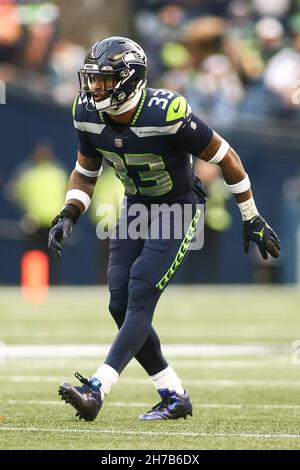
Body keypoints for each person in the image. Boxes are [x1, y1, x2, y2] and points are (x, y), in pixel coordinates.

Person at [48, 36, 280, 421]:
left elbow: (228, 158)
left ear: (130, 80)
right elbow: (87, 170)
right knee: (118, 304)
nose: (95, 88)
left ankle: (97, 388)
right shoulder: (85, 111)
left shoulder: (166, 112)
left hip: (177, 206)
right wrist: (69, 212)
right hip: (135, 205)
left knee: (139, 292)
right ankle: (173, 393)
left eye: (105, 81)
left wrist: (252, 216)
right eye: (92, 79)